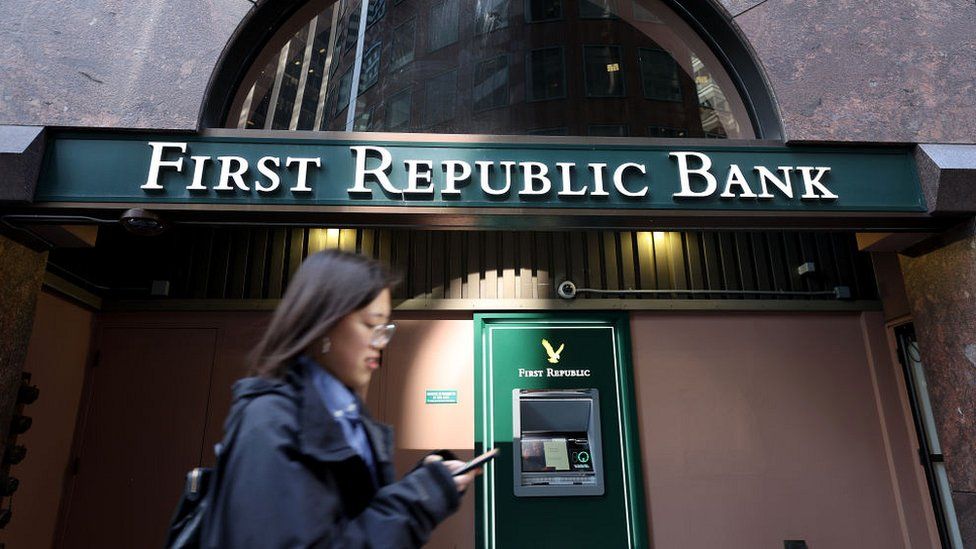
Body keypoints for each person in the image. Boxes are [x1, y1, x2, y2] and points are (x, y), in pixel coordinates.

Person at [204, 250, 477, 548]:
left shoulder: (348, 419)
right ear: (325, 322)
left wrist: (427, 484)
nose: (380, 343)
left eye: (384, 328)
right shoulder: (269, 420)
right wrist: (421, 497)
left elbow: (354, 521)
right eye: (370, 325)